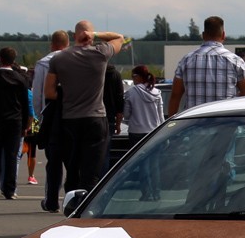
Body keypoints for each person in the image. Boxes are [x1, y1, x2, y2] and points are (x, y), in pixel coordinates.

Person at [44, 21, 126, 205]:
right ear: (89, 35)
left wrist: (67, 94)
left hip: (70, 118)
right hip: (95, 117)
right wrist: (95, 34)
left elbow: (49, 92)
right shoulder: (100, 53)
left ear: (75, 36)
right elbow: (120, 38)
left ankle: (71, 202)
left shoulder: (59, 59)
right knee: (92, 169)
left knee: (73, 167)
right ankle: (87, 204)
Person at [168, 16, 245, 116]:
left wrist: (172, 123)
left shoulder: (186, 60)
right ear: (223, 35)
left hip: (193, 123)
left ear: (203, 35)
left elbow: (175, 96)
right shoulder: (235, 61)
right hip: (225, 122)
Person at [0, 47, 30, 200]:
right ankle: (9, 189)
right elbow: (25, 104)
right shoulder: (20, 79)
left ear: (0, 59)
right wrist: (25, 125)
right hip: (15, 122)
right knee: (11, 156)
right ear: (13, 60)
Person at [33, 30, 69, 212]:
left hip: (51, 116)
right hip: (72, 115)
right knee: (73, 163)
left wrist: (40, 117)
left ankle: (51, 200)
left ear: (52, 44)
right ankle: (72, 200)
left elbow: (38, 93)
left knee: (53, 162)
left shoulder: (43, 63)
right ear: (67, 44)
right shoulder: (75, 59)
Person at [123, 65, 164, 200]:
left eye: (133, 76)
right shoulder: (157, 92)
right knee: (154, 164)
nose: (132, 79)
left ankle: (146, 193)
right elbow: (161, 115)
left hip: (136, 132)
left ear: (138, 77)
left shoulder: (131, 92)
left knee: (142, 164)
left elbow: (126, 114)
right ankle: (157, 193)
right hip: (154, 131)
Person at [101, 62, 125, 176]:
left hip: (92, 115)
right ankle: (103, 179)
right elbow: (120, 98)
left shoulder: (94, 71)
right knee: (105, 153)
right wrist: (118, 124)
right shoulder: (116, 74)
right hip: (109, 117)